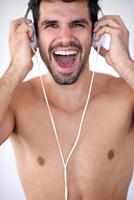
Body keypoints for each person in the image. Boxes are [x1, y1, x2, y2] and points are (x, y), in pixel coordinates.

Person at [0, 0, 134, 199]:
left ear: (96, 34)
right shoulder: (15, 100)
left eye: (78, 24)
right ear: (34, 36)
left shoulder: (127, 95)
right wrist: (16, 67)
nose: (65, 38)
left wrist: (126, 65)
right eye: (51, 25)